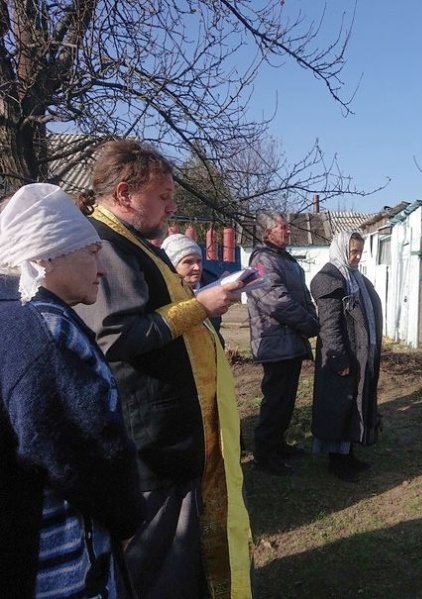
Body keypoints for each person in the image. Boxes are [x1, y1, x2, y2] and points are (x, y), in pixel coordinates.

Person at [73, 139, 252, 599]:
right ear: (125, 192)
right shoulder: (106, 244)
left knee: (180, 566)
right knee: (158, 570)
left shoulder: (134, 242)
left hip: (174, 438)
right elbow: (117, 336)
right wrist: (201, 307)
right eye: (163, 196)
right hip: (153, 443)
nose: (172, 206)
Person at [0, 183, 145, 597]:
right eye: (91, 252)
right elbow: (87, 453)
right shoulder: (45, 330)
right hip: (53, 561)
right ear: (46, 254)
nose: (101, 269)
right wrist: (128, 518)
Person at [247, 212, 320, 476]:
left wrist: (312, 318)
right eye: (283, 228)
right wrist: (310, 325)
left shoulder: (284, 259)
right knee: (276, 401)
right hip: (274, 342)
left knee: (286, 400)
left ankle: (277, 445)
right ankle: (264, 456)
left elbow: (304, 297)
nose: (288, 232)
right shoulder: (262, 261)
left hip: (289, 342)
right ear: (267, 233)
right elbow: (276, 301)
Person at [309, 231, 383, 482]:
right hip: (343, 357)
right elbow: (329, 325)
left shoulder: (355, 278)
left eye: (360, 252)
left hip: (359, 354)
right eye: (353, 252)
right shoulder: (329, 279)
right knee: (339, 407)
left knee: (355, 405)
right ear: (341, 249)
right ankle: (337, 462)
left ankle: (349, 455)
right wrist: (339, 360)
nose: (357, 257)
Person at [161, 232, 224, 340]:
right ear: (171, 266)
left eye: (199, 261)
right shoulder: (162, 294)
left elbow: (215, 332)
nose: (197, 267)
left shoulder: (212, 287)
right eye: (188, 262)